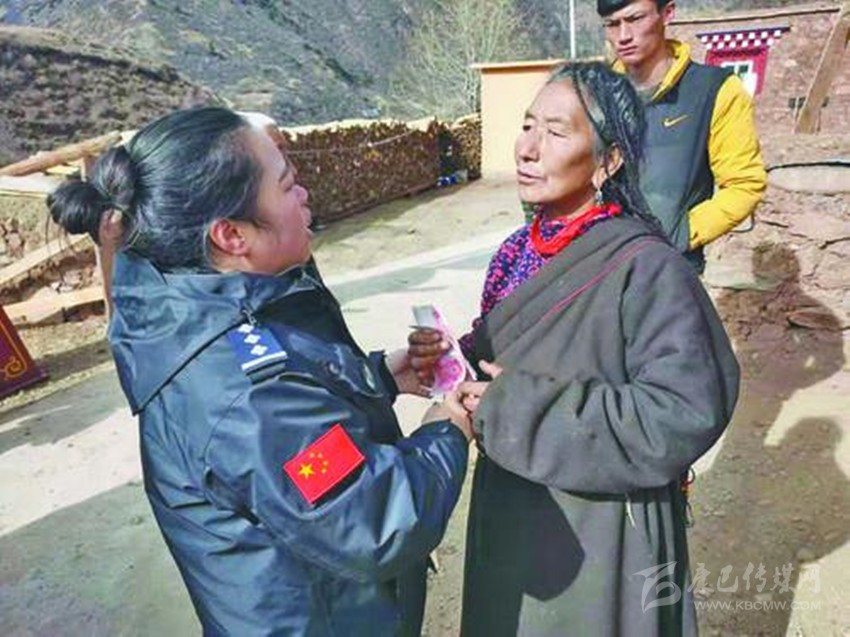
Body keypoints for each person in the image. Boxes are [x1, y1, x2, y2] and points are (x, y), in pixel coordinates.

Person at [47, 106, 473, 636]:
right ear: (231, 236)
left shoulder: (205, 303)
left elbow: (306, 449)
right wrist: (445, 431)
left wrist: (381, 377)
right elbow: (373, 520)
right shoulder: (245, 394)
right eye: (288, 184)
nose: (304, 195)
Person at [411, 62, 740, 635]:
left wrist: (519, 406)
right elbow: (510, 351)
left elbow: (683, 411)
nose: (528, 148)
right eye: (527, 126)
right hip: (511, 501)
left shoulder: (647, 268)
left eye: (556, 132)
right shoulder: (514, 253)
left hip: (601, 525)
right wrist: (451, 360)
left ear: (608, 162)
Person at [598, 0, 767, 272]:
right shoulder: (596, 92)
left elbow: (744, 184)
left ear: (667, 13)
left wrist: (682, 231)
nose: (623, 36)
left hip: (672, 270)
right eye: (612, 24)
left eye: (636, 19)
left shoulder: (714, 90)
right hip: (601, 265)